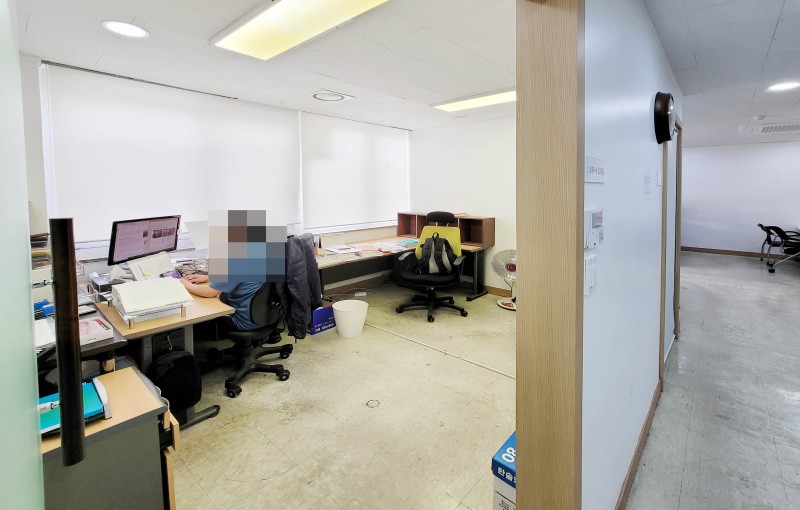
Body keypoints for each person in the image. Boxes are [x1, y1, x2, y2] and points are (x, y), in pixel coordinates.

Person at [181, 275, 263, 331]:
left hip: (243, 321)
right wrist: (208, 277)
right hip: (264, 316)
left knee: (201, 310)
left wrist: (187, 285)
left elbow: (209, 292)